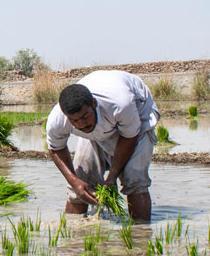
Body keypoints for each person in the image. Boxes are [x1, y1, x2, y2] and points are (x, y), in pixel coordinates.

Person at [46, 70, 159, 222]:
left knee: (134, 177)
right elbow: (55, 148)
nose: (81, 124)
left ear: (94, 103)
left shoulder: (120, 104)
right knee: (81, 181)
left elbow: (129, 136)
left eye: (85, 116)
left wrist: (112, 177)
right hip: (101, 126)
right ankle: (74, 235)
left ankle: (140, 234)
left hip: (137, 118)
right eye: (75, 121)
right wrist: (73, 181)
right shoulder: (57, 120)